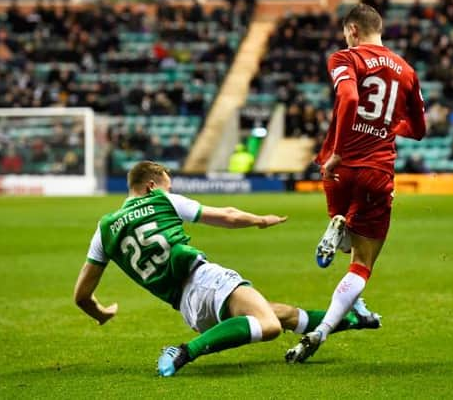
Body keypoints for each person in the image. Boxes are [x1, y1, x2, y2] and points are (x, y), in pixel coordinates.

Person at [74, 161, 381, 377]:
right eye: (168, 184)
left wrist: (101, 314)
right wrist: (261, 220)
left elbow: (82, 296)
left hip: (187, 307)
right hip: (203, 279)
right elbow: (228, 215)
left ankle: (355, 318)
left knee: (280, 314)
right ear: (152, 185)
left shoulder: (104, 230)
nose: (170, 189)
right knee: (269, 325)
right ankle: (183, 352)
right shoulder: (160, 200)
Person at [286, 4, 426, 363]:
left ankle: (354, 286)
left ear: (352, 30)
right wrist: (390, 127)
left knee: (350, 236)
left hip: (337, 167)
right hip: (376, 170)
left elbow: (348, 96)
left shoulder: (345, 58)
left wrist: (338, 151)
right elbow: (420, 130)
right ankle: (322, 330)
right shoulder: (407, 71)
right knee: (363, 262)